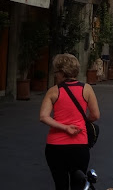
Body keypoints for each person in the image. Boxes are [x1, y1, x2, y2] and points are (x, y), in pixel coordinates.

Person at [40, 53, 100, 190]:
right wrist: (83, 121)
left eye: (56, 72)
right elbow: (95, 115)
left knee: (60, 185)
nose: (56, 75)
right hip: (79, 145)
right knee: (78, 184)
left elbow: (43, 116)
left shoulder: (53, 91)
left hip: (55, 146)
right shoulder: (87, 89)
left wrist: (65, 127)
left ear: (62, 72)